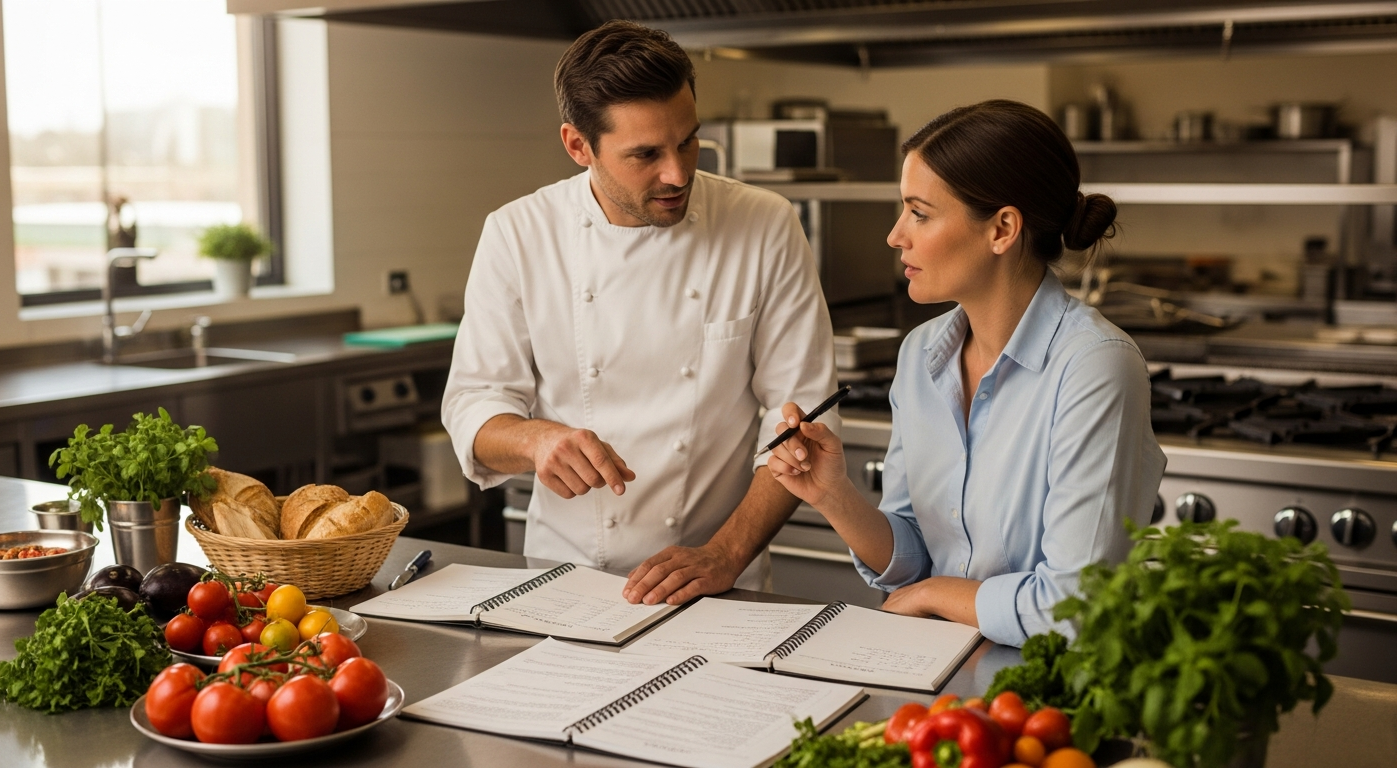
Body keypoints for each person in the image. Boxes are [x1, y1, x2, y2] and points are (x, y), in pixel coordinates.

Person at [441, 21, 837, 604]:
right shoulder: (518, 233)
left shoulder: (764, 224)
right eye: (645, 155)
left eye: (688, 142)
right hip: (564, 582)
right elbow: (473, 405)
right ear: (578, 146)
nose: (678, 174)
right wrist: (536, 441)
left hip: (720, 586)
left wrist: (724, 556)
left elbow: (803, 422)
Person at [766, 100, 1165, 647]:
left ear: (1002, 229)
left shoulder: (1095, 365)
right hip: (943, 673)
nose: (895, 235)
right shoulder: (921, 355)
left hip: (1054, 691)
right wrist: (832, 495)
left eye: (919, 213)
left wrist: (936, 594)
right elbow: (911, 561)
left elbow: (1076, 607)